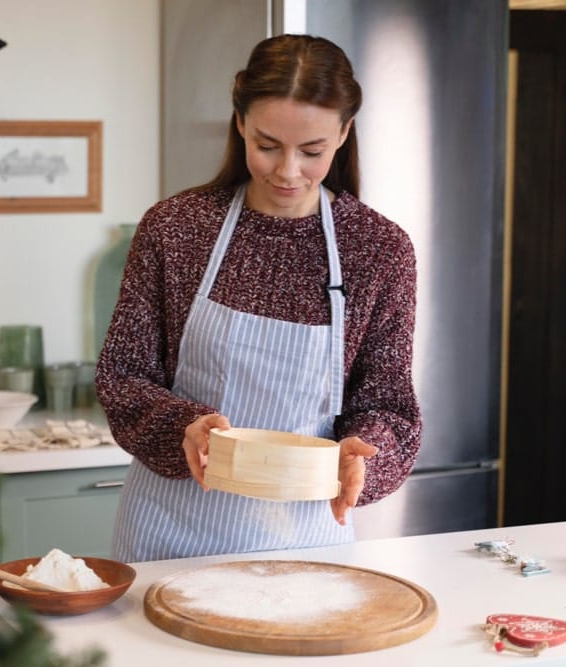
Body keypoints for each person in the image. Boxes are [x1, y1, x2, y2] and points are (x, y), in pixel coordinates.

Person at [95, 33, 422, 563]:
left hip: (304, 539)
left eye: (311, 151)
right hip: (170, 532)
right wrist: (183, 425)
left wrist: (366, 453)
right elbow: (122, 374)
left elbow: (388, 406)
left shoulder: (378, 250)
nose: (287, 170)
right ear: (241, 122)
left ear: (343, 133)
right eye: (267, 145)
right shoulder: (178, 228)